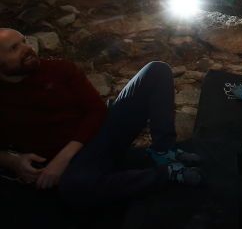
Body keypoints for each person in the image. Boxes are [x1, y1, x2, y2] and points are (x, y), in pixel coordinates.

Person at [0, 28, 203, 211]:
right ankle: (165, 173)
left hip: (101, 132)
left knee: (156, 70)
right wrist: (14, 161)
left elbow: (96, 111)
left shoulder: (59, 70)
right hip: (80, 163)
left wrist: (63, 158)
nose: (27, 49)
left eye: (24, 41)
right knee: (74, 190)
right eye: (14, 48)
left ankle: (163, 151)